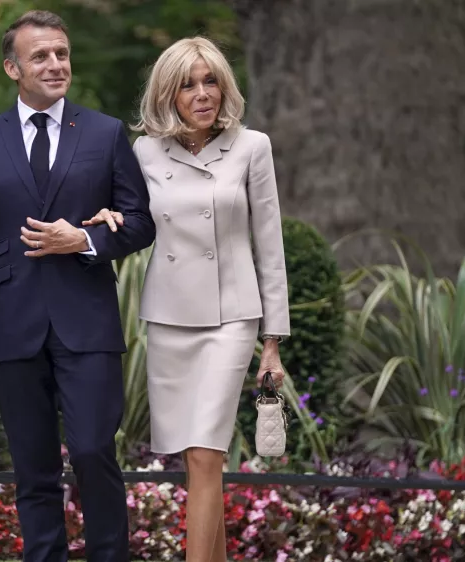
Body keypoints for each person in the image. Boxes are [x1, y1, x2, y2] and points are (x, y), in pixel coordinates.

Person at [0, 10, 155, 562]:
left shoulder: (105, 133)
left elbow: (140, 224)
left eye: (62, 54)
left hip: (87, 321)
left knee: (94, 452)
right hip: (13, 323)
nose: (55, 64)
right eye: (41, 56)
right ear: (12, 68)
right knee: (34, 466)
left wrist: (85, 242)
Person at [83, 37, 291, 562]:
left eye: (211, 80)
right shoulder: (146, 151)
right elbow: (135, 218)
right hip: (170, 317)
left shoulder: (252, 146)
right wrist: (112, 217)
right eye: (188, 84)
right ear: (168, 94)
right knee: (195, 462)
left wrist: (273, 343)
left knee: (205, 454)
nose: (202, 93)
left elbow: (270, 246)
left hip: (231, 316)